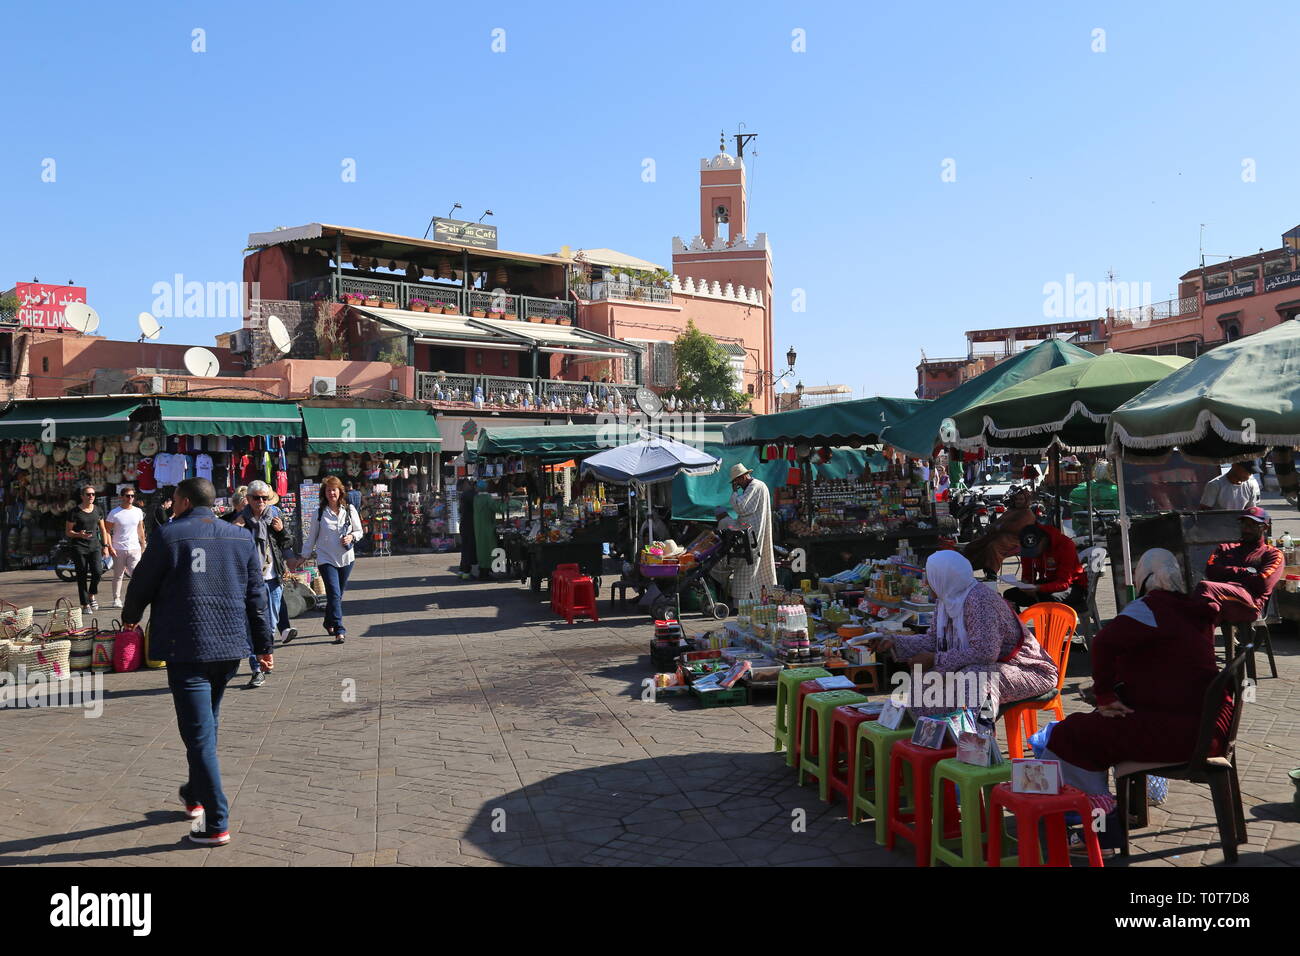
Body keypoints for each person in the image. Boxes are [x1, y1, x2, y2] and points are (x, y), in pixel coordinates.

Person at [122, 477, 274, 847]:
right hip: (229, 650)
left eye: (173, 500)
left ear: (186, 502)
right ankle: (194, 792)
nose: (171, 506)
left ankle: (216, 821)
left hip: (187, 648)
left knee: (199, 735)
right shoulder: (239, 538)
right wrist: (263, 646)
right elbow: (257, 598)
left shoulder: (169, 536)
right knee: (206, 727)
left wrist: (130, 616)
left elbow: (142, 582)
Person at [1038, 549, 1222, 840]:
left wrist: (1106, 696)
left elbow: (1102, 644)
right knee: (1089, 729)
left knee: (1070, 734)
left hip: (1173, 734)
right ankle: (1096, 822)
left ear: (1143, 578)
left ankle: (1100, 832)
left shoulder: (1148, 608)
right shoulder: (1193, 609)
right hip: (1205, 731)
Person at [875, 550, 1057, 716]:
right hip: (988, 666)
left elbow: (985, 653)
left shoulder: (980, 601)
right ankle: (937, 737)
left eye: (929, 576)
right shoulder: (945, 600)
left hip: (1029, 670)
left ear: (943, 576)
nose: (926, 582)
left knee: (974, 678)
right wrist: (895, 642)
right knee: (926, 680)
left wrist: (935, 659)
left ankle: (977, 740)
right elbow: (934, 640)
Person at [233, 480, 291, 686]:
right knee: (253, 626)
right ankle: (256, 668)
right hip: (250, 580)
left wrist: (281, 530)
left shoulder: (275, 516)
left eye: (264, 498)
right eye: (256, 498)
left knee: (271, 624)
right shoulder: (239, 520)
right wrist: (235, 531)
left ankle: (265, 653)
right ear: (248, 499)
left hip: (273, 578)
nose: (260, 502)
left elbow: (288, 543)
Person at [301, 475, 363, 644]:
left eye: (334, 489)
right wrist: (303, 557)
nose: (331, 493)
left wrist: (351, 537)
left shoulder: (349, 510)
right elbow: (311, 538)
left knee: (337, 595)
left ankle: (328, 621)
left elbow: (360, 531)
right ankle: (339, 629)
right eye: (328, 490)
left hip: (346, 558)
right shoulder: (319, 513)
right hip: (326, 559)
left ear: (340, 491)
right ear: (324, 493)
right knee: (334, 594)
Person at [1200, 506, 1284, 624]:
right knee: (1211, 608)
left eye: (1252, 526)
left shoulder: (1273, 553)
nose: (1247, 530)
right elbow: (1211, 572)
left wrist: (1227, 574)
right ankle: (1202, 641)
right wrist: (1245, 572)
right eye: (1244, 525)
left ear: (1265, 527)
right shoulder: (1225, 548)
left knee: (1205, 588)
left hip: (1251, 605)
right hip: (1224, 598)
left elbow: (1263, 583)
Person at [1002, 521, 1086, 611]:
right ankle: (1017, 624)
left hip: (1073, 587)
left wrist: (1039, 588)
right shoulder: (1027, 547)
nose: (1032, 554)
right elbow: (1028, 574)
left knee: (1050, 599)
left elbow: (1064, 583)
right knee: (1009, 595)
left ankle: (1053, 624)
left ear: (1044, 539)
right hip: (1045, 584)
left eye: (1035, 550)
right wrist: (1026, 585)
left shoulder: (1065, 544)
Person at [963, 487, 1036, 579]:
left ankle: (991, 572)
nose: (1018, 501)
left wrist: (999, 527)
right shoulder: (1011, 511)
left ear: (1026, 500)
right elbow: (998, 522)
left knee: (993, 547)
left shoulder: (1027, 513)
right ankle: (965, 567)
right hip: (999, 535)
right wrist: (992, 528)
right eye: (1017, 499)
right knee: (974, 545)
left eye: (1021, 499)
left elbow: (1017, 528)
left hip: (1014, 539)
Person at [728, 463, 776, 602]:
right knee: (755, 566)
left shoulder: (755, 486)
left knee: (747, 566)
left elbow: (742, 507)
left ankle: (745, 600)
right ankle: (758, 597)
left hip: (753, 534)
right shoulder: (757, 486)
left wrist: (734, 492)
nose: (736, 485)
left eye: (737, 481)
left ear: (742, 477)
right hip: (755, 531)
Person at [65, 484, 110, 614]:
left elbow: (103, 529)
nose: (91, 496)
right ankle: (85, 604)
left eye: (93, 494)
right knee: (82, 575)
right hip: (79, 547)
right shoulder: (74, 512)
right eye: (88, 494)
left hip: (95, 545)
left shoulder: (98, 510)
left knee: (98, 572)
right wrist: (79, 534)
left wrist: (105, 546)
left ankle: (91, 595)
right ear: (82, 496)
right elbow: (68, 532)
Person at [105, 487, 147, 609]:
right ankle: (116, 599)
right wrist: (109, 547)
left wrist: (143, 543)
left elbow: (140, 528)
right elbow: (107, 530)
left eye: (132, 496)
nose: (130, 498)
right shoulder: (114, 513)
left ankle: (136, 598)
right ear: (121, 497)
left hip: (134, 548)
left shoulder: (138, 511)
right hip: (118, 548)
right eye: (128, 496)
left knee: (136, 574)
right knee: (118, 575)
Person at [472, 478, 497, 581]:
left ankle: (482, 570)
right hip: (488, 528)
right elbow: (496, 508)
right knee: (489, 550)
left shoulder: (476, 499)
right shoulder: (488, 498)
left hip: (478, 528)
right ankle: (487, 571)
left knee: (481, 549)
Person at [457, 479, 478, 581]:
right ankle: (466, 571)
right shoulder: (470, 495)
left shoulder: (463, 495)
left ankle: (462, 570)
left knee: (465, 549)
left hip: (464, 525)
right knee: (469, 549)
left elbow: (460, 510)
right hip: (470, 526)